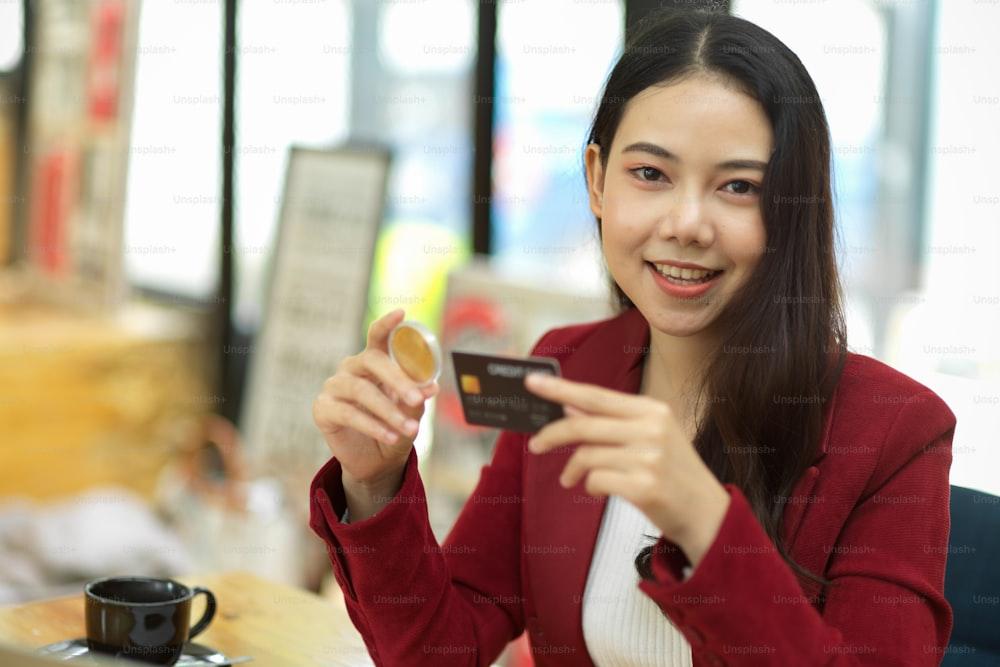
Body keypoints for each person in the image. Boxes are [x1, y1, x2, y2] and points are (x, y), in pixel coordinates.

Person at [308, 7, 956, 666]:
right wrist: (374, 483)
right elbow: (440, 651)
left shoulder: (896, 432)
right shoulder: (565, 367)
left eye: (738, 186)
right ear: (596, 179)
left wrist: (705, 520)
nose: (686, 223)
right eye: (650, 174)